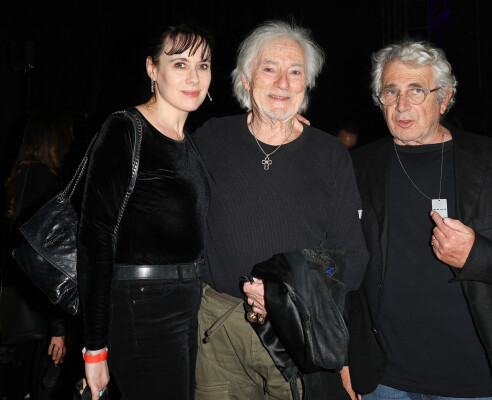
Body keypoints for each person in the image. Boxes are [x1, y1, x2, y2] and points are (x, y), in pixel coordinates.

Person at [343, 40, 492, 400]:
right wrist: (342, 357)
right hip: (384, 381)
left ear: (444, 98)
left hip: (476, 382)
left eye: (417, 90)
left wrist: (478, 255)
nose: (402, 105)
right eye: (391, 91)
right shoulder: (357, 168)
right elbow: (342, 270)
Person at [192, 19, 369, 399]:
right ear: (245, 79)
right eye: (269, 69)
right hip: (218, 329)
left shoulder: (331, 155)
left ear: (308, 85)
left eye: (295, 72)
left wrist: (283, 291)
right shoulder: (210, 139)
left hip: (298, 330)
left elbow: (351, 259)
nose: (283, 83)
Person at [76, 22, 212, 400]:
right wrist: (95, 347)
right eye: (180, 64)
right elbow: (95, 238)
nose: (194, 76)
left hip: (187, 303)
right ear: (152, 69)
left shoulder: (191, 144)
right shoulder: (125, 129)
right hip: (142, 306)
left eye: (203, 65)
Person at [0, 110, 74, 399]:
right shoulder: (41, 177)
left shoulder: (21, 174)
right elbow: (48, 259)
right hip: (33, 306)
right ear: (52, 141)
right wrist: (58, 326)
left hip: (18, 298)